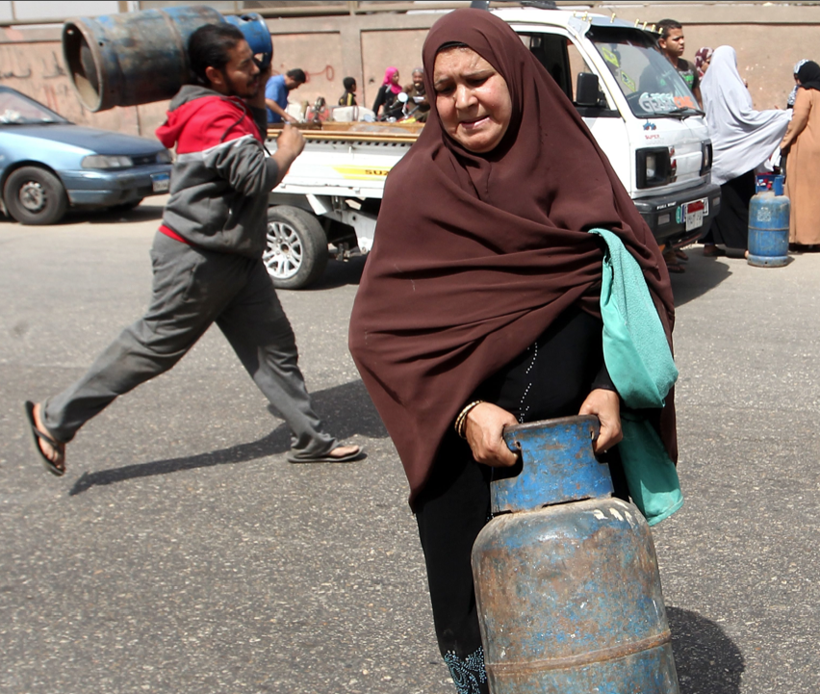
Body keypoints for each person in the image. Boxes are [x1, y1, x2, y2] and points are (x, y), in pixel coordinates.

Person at [348, 10, 676, 692]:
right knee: (483, 625)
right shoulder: (419, 188)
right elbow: (380, 333)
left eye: (479, 79)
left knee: (589, 621)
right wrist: (466, 409)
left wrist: (609, 386)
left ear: (517, 77)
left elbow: (634, 283)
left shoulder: (576, 166)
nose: (463, 101)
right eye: (444, 88)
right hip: (464, 459)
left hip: (580, 450)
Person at [24, 23, 362, 477]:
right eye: (244, 64)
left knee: (273, 347)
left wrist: (259, 102)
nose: (256, 68)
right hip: (198, 259)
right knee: (152, 348)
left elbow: (244, 152)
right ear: (213, 73)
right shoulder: (211, 114)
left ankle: (311, 439)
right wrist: (288, 151)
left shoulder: (228, 107)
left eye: (254, 60)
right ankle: (54, 418)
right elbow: (255, 177)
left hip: (234, 255)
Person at [700, 46, 790, 254]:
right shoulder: (734, 86)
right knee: (739, 200)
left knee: (714, 198)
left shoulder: (706, 83)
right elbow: (744, 117)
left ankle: (709, 245)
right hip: (736, 152)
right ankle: (745, 246)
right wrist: (780, 117)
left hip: (716, 149)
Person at [780, 60, 820, 251]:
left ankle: (801, 238)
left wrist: (785, 142)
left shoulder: (806, 92)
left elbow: (799, 118)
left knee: (801, 194)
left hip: (805, 148)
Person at [657, 18, 703, 108]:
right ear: (663, 43)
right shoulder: (653, 70)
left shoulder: (689, 67)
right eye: (676, 39)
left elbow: (698, 100)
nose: (682, 42)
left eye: (682, 38)